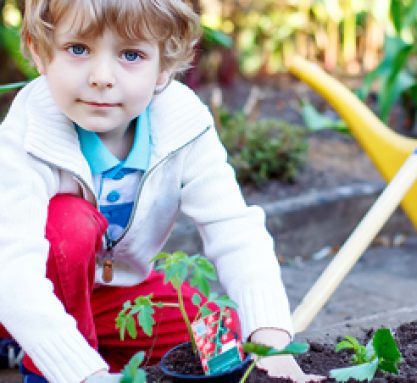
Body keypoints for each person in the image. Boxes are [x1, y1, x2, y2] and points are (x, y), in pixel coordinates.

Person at [0, 1, 325, 382]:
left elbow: (234, 230)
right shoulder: (27, 135)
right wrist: (83, 375)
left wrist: (272, 345)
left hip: (119, 294)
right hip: (22, 289)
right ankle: (44, 357)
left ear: (164, 67)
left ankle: (76, 347)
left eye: (131, 54)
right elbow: (13, 269)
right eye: (78, 49)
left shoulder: (182, 123)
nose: (102, 76)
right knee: (67, 224)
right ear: (40, 52)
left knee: (226, 341)